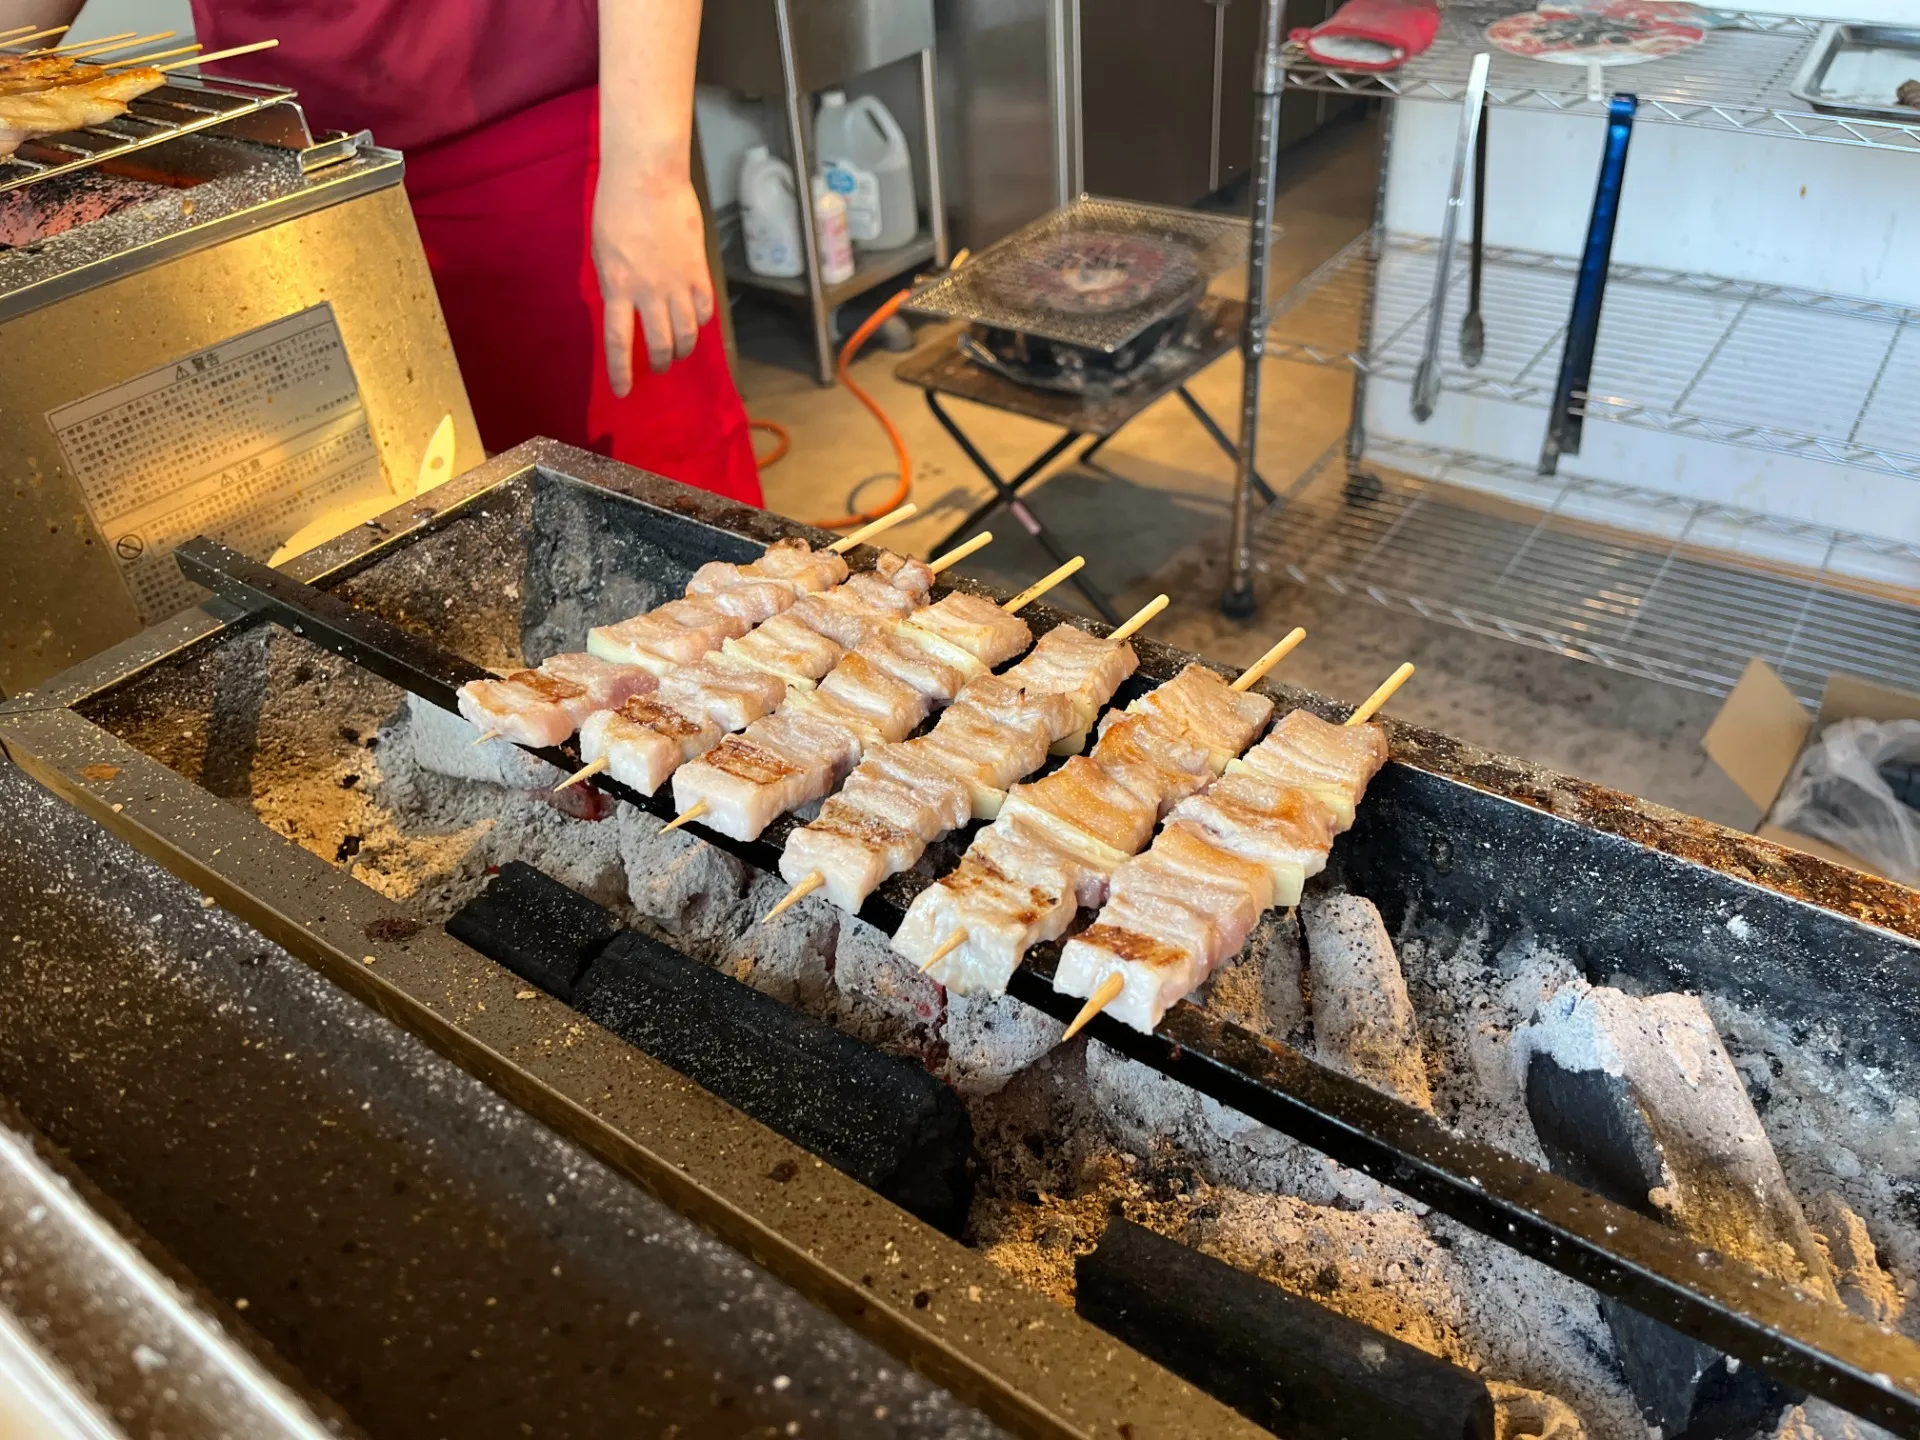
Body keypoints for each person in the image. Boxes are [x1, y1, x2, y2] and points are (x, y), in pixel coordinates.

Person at [3, 0, 764, 507]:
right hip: (302, 168)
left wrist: (650, 171)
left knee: (650, 510)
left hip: (535, 139)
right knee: (408, 521)